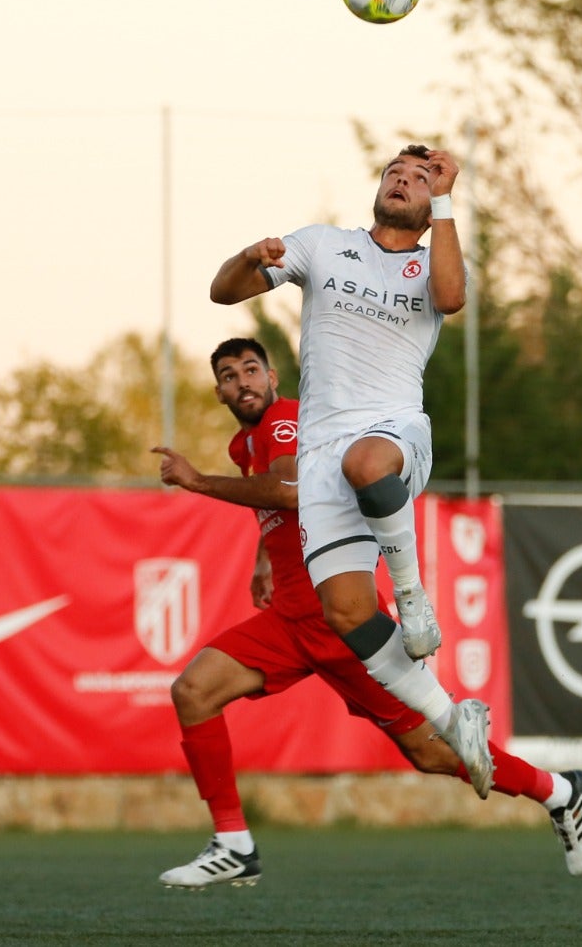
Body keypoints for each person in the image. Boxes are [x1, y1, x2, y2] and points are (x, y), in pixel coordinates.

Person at [152, 337, 582, 888]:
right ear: (218, 391)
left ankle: (561, 792)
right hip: (291, 620)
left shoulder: (283, 421)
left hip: (342, 621)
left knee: (434, 754)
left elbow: (289, 489)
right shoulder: (243, 447)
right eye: (227, 375)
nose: (241, 381)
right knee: (193, 692)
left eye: (250, 369)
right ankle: (234, 844)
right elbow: (291, 502)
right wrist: (264, 559)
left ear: (273, 379)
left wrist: (195, 483)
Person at [208, 145, 500, 800]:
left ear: (433, 206)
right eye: (397, 170)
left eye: (421, 177)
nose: (404, 179)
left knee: (364, 459)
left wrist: (449, 198)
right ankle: (457, 719)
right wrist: (250, 259)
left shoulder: (434, 258)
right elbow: (222, 291)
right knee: (345, 613)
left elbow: (451, 299)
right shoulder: (322, 246)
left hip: (394, 439)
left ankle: (413, 593)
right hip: (321, 465)